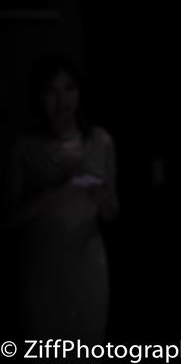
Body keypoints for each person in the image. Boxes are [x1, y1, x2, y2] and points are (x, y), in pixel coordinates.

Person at [2, 54, 118, 343]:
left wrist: (102, 195)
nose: (62, 100)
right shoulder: (25, 148)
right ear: (39, 97)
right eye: (51, 91)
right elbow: (8, 219)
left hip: (87, 262)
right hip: (41, 265)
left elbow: (112, 212)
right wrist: (55, 189)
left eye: (69, 88)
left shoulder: (100, 141)